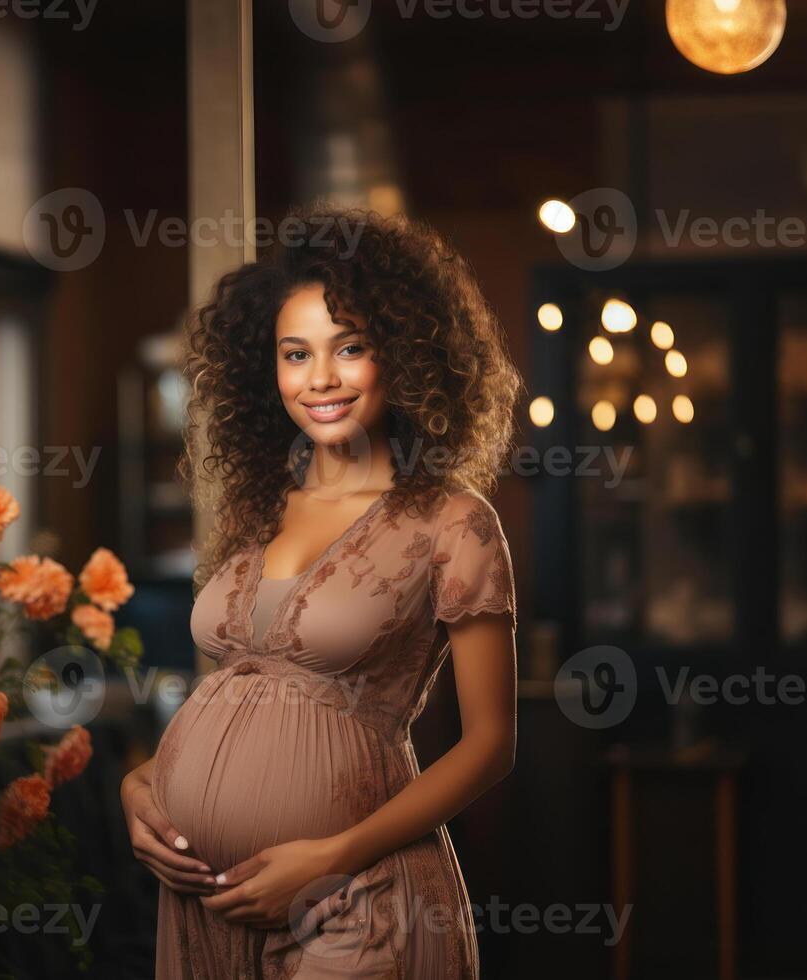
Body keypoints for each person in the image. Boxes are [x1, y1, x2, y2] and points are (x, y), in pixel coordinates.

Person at [120, 205, 522, 978]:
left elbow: (490, 744)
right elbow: (235, 693)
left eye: (351, 348)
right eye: (295, 354)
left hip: (356, 893)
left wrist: (330, 858)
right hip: (204, 900)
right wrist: (141, 786)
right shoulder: (257, 509)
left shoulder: (452, 521)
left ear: (401, 355)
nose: (321, 379)